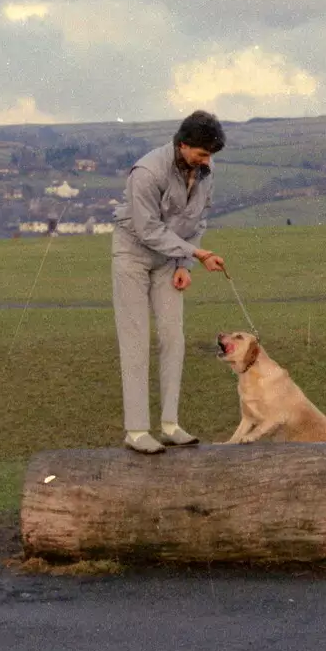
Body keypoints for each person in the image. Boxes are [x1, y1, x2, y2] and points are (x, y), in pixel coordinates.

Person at [110, 110, 227, 454]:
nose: (207, 161)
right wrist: (198, 254)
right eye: (202, 154)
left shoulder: (206, 170)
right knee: (135, 341)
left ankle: (170, 425)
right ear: (183, 144)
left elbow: (198, 217)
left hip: (169, 258)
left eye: (211, 155)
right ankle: (136, 431)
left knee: (174, 338)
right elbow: (147, 230)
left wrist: (185, 263)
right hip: (131, 254)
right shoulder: (146, 173)